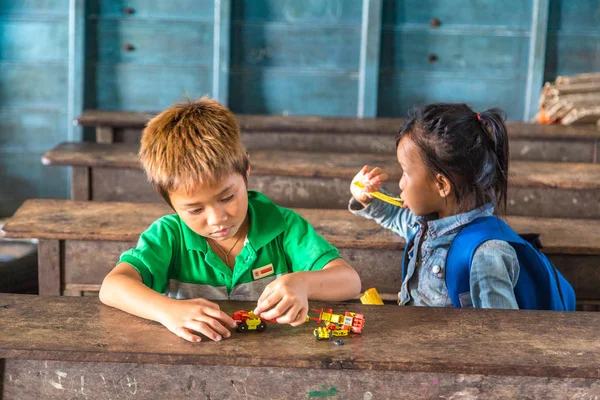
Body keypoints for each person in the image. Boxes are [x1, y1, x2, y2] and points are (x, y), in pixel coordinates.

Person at [100, 98, 361, 342]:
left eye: (226, 198)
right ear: (170, 202)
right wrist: (167, 310)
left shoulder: (284, 226)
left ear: (245, 171)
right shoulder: (169, 235)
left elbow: (349, 281)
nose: (217, 219)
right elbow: (112, 287)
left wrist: (302, 283)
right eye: (195, 210)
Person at [350, 103, 520, 309]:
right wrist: (367, 195)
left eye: (405, 173)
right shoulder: (429, 223)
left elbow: (500, 333)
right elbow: (396, 215)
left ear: (441, 185)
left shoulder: (486, 256)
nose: (401, 183)